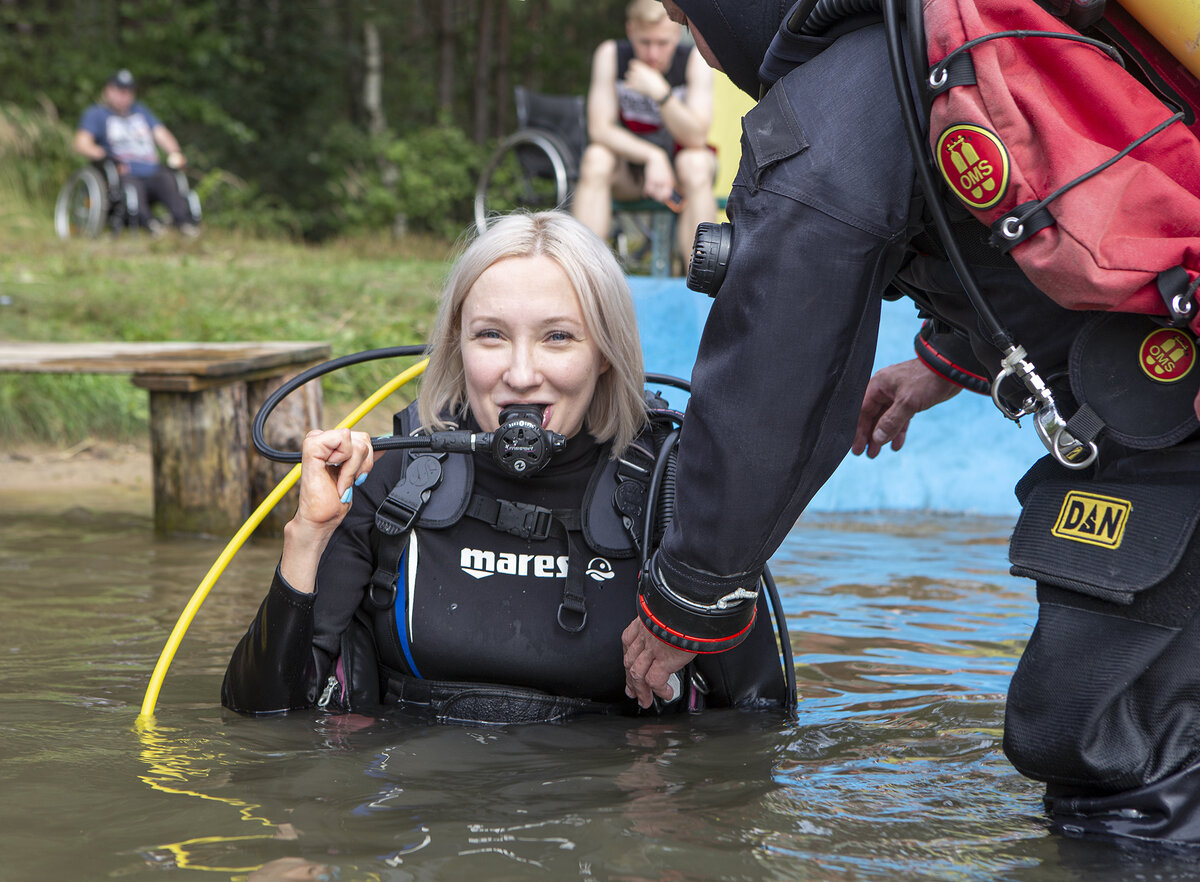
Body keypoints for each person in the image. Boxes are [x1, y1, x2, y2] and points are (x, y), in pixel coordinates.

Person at [619, 0, 1200, 845]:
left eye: (688, 16)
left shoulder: (843, 95)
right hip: (1157, 404)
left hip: (1171, 433)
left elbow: (776, 368)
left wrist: (691, 597)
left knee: (1106, 746)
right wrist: (945, 360)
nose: (700, 54)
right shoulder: (940, 40)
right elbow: (1055, 213)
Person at [222, 210, 787, 724]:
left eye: (557, 337)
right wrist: (307, 535)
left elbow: (759, 725)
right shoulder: (402, 478)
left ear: (606, 354)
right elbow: (262, 716)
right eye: (491, 335)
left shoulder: (673, 495)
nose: (520, 374)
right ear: (457, 346)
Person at [572, 0, 718, 271]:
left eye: (662, 43)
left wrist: (661, 93)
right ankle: (582, 274)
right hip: (631, 173)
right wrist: (652, 156)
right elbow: (599, 129)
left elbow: (697, 136)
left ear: (677, 32)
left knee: (695, 163)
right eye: (644, 42)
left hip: (681, 177)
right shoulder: (611, 54)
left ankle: (700, 283)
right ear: (630, 30)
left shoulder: (694, 60)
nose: (653, 53)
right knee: (596, 157)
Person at [73, 69, 199, 236]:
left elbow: (161, 134)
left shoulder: (141, 111)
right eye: (120, 91)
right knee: (132, 189)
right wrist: (105, 156)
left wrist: (175, 153)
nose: (124, 96)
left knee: (169, 181)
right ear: (108, 91)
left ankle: (185, 224)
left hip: (152, 169)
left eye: (129, 91)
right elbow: (81, 144)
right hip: (122, 171)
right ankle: (149, 225)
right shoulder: (96, 114)